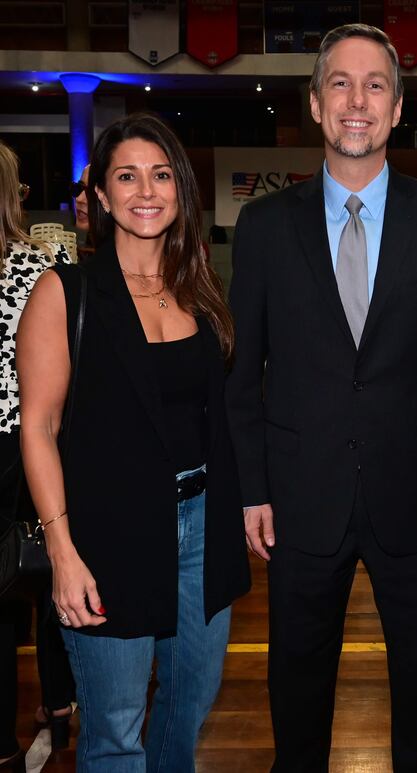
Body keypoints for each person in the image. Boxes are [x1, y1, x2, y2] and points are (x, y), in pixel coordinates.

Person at [226, 23, 417, 773]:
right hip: (299, 494)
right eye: (339, 84)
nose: (357, 101)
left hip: (416, 497)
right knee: (297, 689)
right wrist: (251, 489)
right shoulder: (263, 226)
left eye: (375, 84)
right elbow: (242, 376)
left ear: (398, 106)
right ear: (315, 104)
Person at [16, 113, 251, 771]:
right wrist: (62, 552)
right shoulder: (65, 292)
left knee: (187, 704)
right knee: (116, 729)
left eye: (160, 173)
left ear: (180, 189)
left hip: (201, 526)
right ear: (96, 193)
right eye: (127, 175)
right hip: (107, 532)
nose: (146, 190)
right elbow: (38, 426)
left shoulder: (196, 288)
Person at [0, 139, 75, 772]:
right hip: (27, 441)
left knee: (36, 581)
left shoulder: (38, 269)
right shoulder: (39, 266)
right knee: (43, 581)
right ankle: (54, 711)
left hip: (20, 442)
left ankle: (46, 717)